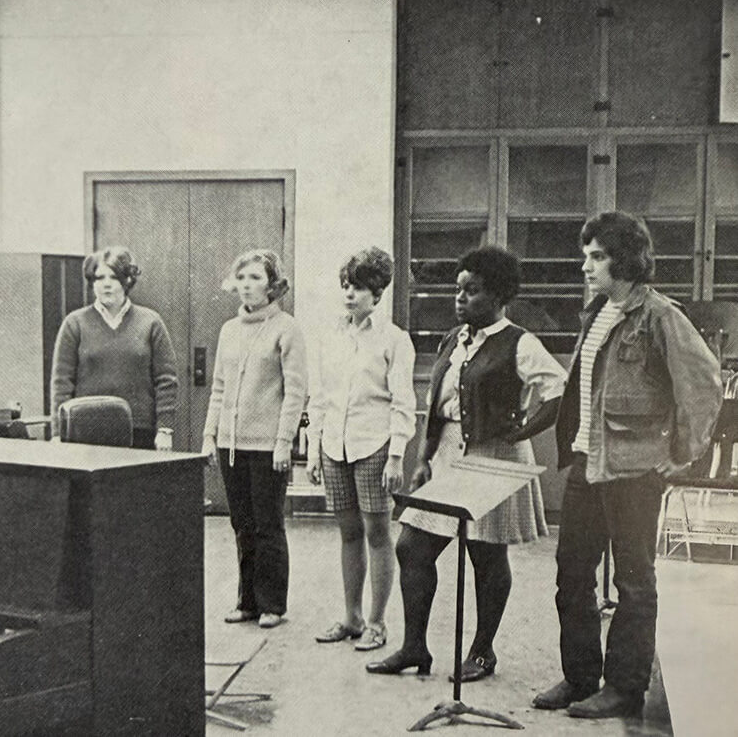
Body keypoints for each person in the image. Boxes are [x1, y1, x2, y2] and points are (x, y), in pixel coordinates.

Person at [533, 212, 722, 718]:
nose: (586, 267)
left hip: (635, 471)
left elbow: (704, 383)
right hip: (587, 464)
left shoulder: (659, 315)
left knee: (634, 582)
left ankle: (624, 687)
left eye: (597, 257)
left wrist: (680, 454)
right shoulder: (598, 312)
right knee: (572, 574)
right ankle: (579, 678)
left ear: (625, 259)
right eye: (586, 256)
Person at [367, 246, 566, 680]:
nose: (460, 299)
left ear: (499, 296)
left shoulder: (519, 342)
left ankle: (482, 652)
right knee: (411, 547)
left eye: (472, 291)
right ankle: (414, 647)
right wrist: (423, 459)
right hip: (447, 454)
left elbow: (558, 390)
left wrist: (522, 432)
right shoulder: (452, 339)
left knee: (486, 556)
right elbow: (436, 405)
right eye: (458, 289)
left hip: (494, 456)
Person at [308, 247, 415, 652]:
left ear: (378, 292)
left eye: (359, 288)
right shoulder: (331, 335)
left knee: (377, 533)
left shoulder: (394, 339)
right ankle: (351, 618)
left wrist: (396, 455)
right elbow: (320, 397)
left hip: (374, 445)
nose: (350, 294)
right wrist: (315, 448)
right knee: (348, 532)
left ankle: (376, 622)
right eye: (346, 286)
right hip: (334, 445)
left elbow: (402, 402)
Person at [202, 249, 308, 629]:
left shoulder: (286, 328)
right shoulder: (229, 330)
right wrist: (210, 435)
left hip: (268, 448)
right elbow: (218, 388)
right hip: (232, 445)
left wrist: (283, 441)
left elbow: (295, 392)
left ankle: (272, 604)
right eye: (242, 278)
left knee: (268, 525)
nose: (247, 285)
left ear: (272, 285)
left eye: (256, 278)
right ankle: (246, 601)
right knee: (242, 525)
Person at [50, 246, 178, 450]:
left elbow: (166, 380)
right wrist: (58, 433)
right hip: (86, 432)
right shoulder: (74, 324)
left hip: (139, 433)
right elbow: (61, 384)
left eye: (114, 277)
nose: (106, 284)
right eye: (100, 278)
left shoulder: (151, 322)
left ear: (127, 280)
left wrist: (165, 429)